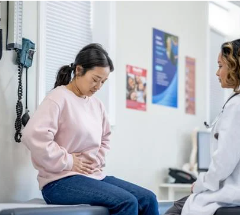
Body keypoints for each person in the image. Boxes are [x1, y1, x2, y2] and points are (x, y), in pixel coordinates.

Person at [22, 43, 159, 215]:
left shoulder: (96, 104)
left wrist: (97, 159)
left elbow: (105, 138)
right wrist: (69, 161)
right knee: (126, 202)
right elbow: (32, 136)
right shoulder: (58, 98)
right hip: (58, 181)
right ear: (79, 71)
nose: (98, 86)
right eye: (95, 79)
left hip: (92, 176)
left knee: (149, 199)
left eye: (103, 81)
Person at [165, 38, 240, 215]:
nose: (217, 73)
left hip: (234, 195)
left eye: (220, 66)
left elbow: (223, 164)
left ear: (235, 68)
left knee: (174, 210)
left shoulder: (238, 105)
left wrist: (199, 184)